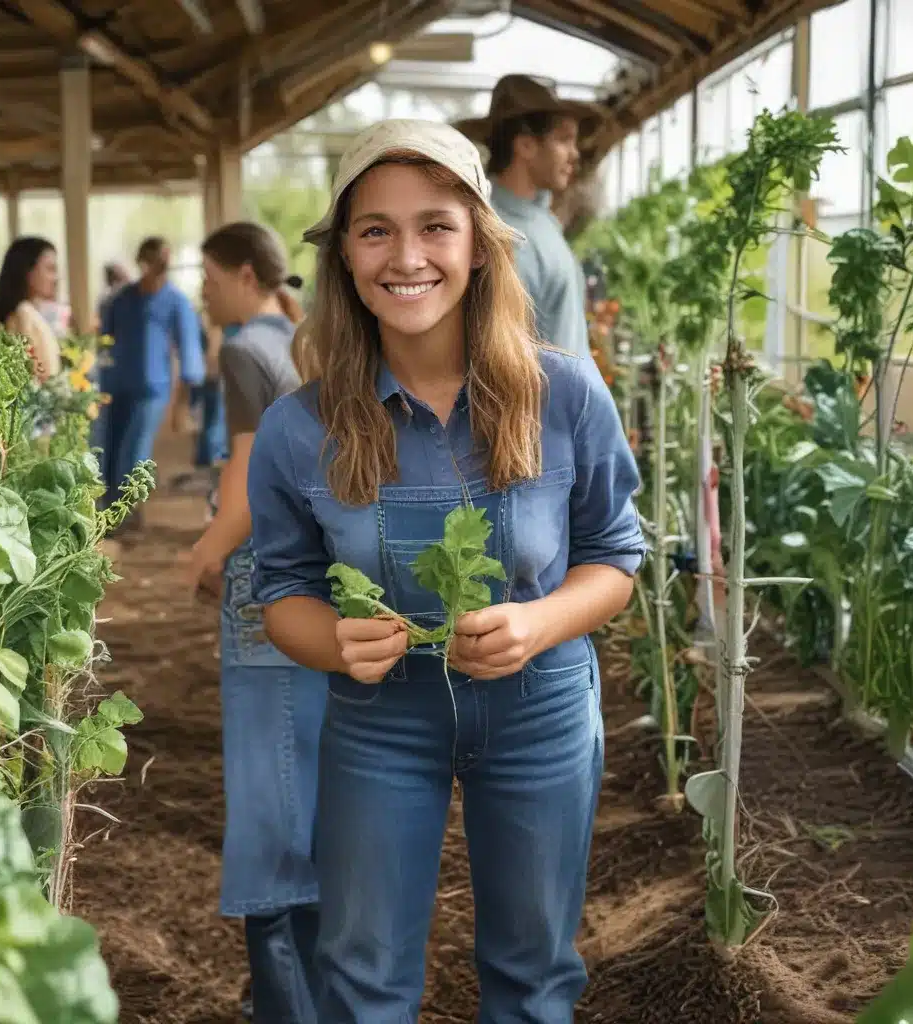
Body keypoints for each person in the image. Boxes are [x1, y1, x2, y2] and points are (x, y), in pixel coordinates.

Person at [247, 119, 645, 1022]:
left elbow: (615, 559)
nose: (407, 255)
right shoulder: (300, 428)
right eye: (375, 229)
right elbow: (281, 594)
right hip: (380, 720)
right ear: (345, 256)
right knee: (362, 974)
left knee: (534, 972)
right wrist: (335, 642)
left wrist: (539, 623)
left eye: (436, 225)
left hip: (540, 708)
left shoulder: (566, 395)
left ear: (477, 245)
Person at [184, 222, 326, 1024]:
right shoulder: (307, 344)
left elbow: (242, 481)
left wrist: (202, 553)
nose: (203, 290)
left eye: (208, 275)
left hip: (263, 595)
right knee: (310, 795)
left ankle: (285, 1006)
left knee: (269, 814)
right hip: (320, 597)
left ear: (245, 274)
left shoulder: (245, 351)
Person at [455, 74, 606, 362]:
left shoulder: (541, 220)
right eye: (563, 140)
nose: (574, 155)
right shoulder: (503, 234)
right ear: (525, 146)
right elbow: (504, 358)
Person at [96, 236, 205, 520]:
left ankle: (127, 514)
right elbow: (103, 341)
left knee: (133, 452)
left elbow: (190, 354)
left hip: (152, 391)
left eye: (161, 264)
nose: (156, 270)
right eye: (150, 264)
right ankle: (106, 511)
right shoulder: (121, 300)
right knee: (108, 449)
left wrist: (182, 405)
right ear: (141, 263)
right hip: (114, 387)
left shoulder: (176, 302)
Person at [0, 236, 63, 381]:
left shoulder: (28, 312)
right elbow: (29, 377)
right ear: (27, 272)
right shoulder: (23, 314)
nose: (56, 278)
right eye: (50, 269)